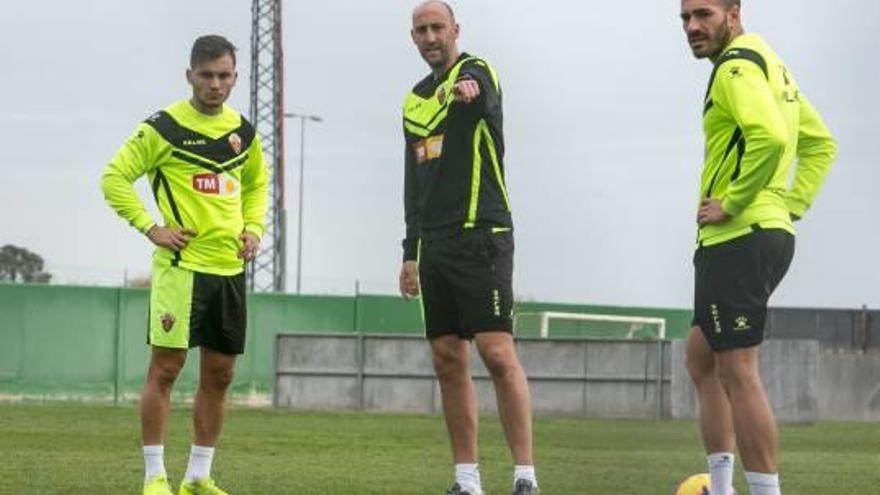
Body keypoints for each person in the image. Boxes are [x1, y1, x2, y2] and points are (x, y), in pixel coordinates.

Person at [679, 1, 837, 494]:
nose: (692, 27)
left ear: (733, 11)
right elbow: (820, 143)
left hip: (737, 236)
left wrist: (737, 202)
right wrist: (789, 206)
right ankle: (720, 487)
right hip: (760, 232)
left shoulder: (736, 67)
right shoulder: (771, 63)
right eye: (684, 18)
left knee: (737, 370)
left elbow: (769, 138)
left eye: (703, 14)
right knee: (701, 357)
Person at [101, 34, 268, 495]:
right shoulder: (164, 127)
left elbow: (256, 185)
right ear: (190, 75)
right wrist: (150, 227)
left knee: (221, 375)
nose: (216, 84)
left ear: (235, 77)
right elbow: (114, 178)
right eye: (207, 75)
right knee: (167, 370)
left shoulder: (244, 133)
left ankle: (198, 476)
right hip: (182, 270)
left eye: (224, 76)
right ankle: (154, 475)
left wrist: (254, 229)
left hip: (230, 272)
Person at [399, 2, 539, 495]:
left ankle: (525, 476)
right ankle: (467, 481)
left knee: (497, 352)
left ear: (455, 30)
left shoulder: (477, 71)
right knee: (446, 358)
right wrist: (409, 251)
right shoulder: (414, 102)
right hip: (434, 244)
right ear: (413, 38)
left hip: (483, 235)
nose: (431, 36)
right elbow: (413, 182)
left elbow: (479, 97)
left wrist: (469, 91)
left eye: (438, 27)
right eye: (422, 30)